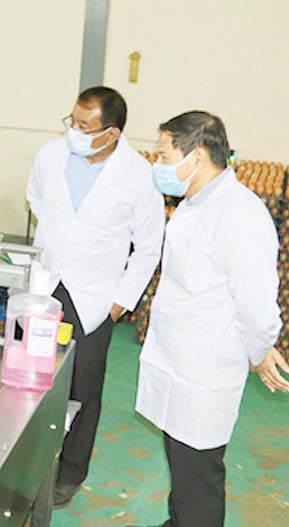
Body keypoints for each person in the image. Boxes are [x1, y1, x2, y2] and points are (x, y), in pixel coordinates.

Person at [128, 111, 289, 527]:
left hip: (204, 366)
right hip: (179, 357)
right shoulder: (197, 202)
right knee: (182, 465)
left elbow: (256, 302)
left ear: (196, 156)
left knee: (199, 474)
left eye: (164, 156)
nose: (158, 164)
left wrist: (260, 349)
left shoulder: (239, 213)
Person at [26, 86, 165, 508]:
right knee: (32, 377)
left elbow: (149, 246)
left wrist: (120, 301)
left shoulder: (139, 175)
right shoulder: (51, 154)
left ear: (112, 133)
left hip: (95, 296)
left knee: (83, 388)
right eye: (72, 121)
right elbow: (36, 198)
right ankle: (29, 462)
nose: (74, 131)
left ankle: (70, 471)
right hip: (47, 283)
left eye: (85, 126)